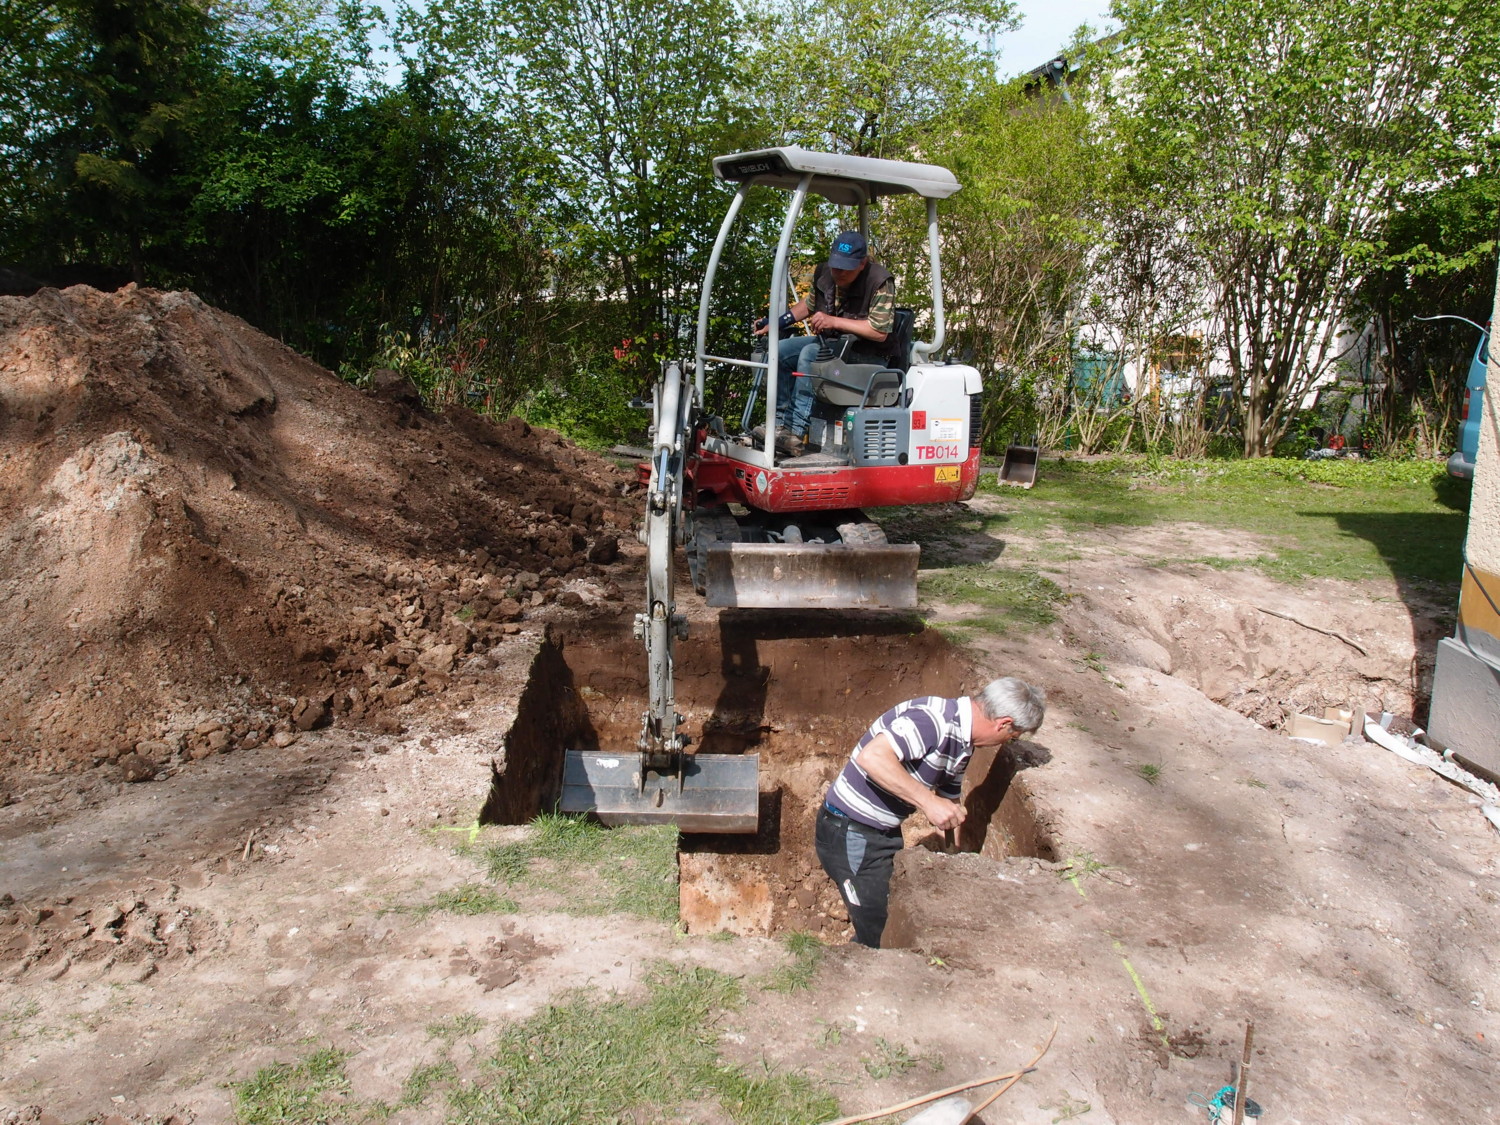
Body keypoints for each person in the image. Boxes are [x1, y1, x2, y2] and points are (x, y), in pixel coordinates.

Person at [816, 678, 1047, 948]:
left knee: (891, 911)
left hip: (882, 832)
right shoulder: (932, 721)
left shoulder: (964, 741)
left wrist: (954, 860)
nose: (1004, 742)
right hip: (849, 834)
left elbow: (950, 802)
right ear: (1004, 724)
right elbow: (873, 757)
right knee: (880, 929)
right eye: (1011, 737)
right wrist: (927, 802)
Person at [752, 230, 897, 454]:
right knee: (779, 351)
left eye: (845, 268)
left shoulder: (879, 281)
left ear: (862, 263)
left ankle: (794, 431)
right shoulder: (825, 274)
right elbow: (808, 305)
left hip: (868, 354)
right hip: (836, 346)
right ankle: (779, 424)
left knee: (810, 354)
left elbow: (879, 332)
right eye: (835, 265)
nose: (838, 272)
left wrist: (834, 322)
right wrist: (775, 323)